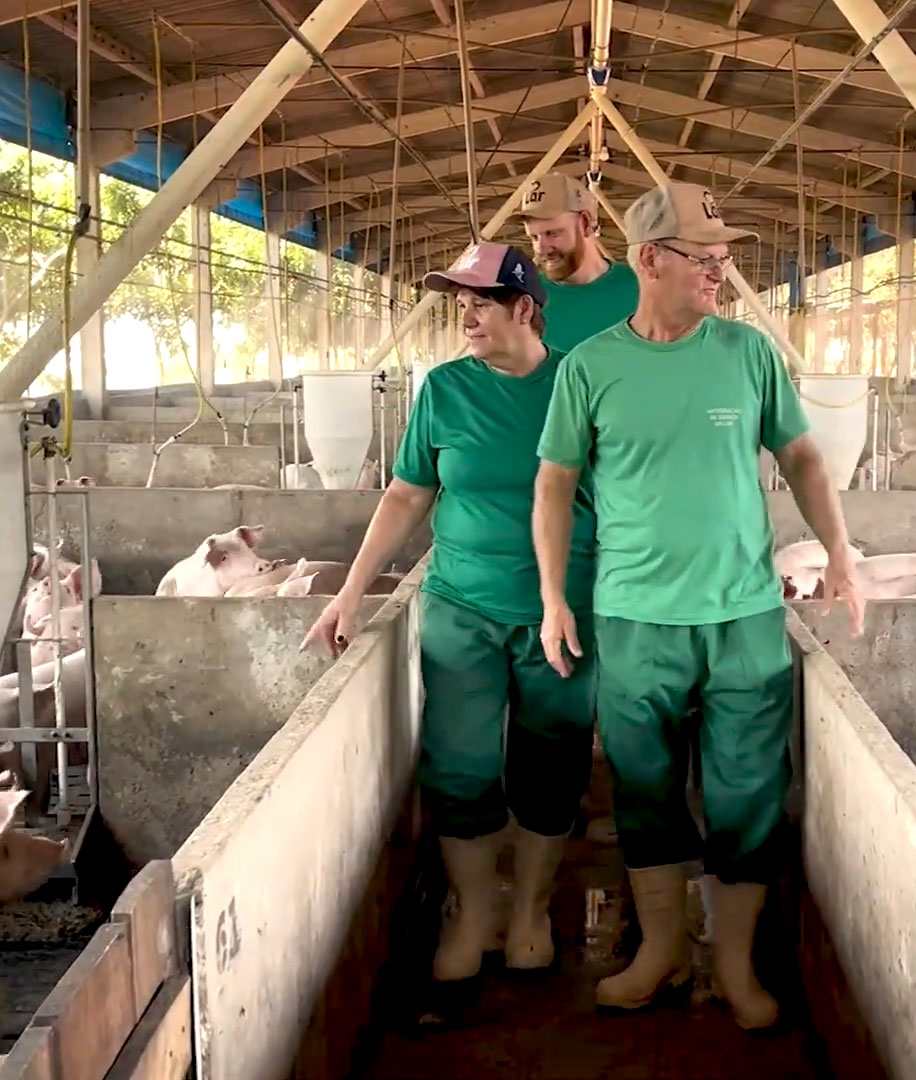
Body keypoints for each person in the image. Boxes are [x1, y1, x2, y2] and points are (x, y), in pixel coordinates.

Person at [531, 182, 865, 1030]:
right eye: (704, 259)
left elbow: (804, 458)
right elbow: (554, 484)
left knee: (748, 788)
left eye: (724, 259)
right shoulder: (590, 367)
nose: (721, 272)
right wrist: (551, 597)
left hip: (742, 611)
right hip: (636, 613)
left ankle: (735, 962)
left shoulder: (747, 355)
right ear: (648, 259)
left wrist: (841, 553)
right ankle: (662, 949)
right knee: (643, 786)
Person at [303, 241, 599, 984]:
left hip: (563, 607)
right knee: (460, 762)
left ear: (526, 307)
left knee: (553, 757)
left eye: (481, 303)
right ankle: (474, 910)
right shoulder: (443, 389)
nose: (465, 317)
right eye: (458, 304)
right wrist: (350, 593)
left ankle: (530, 910)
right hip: (462, 603)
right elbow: (408, 494)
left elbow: (626, 494)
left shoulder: (582, 383)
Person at [516, 172, 640, 353]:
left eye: (553, 233)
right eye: (534, 237)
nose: (542, 248)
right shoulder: (525, 301)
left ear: (585, 223)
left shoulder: (641, 290)